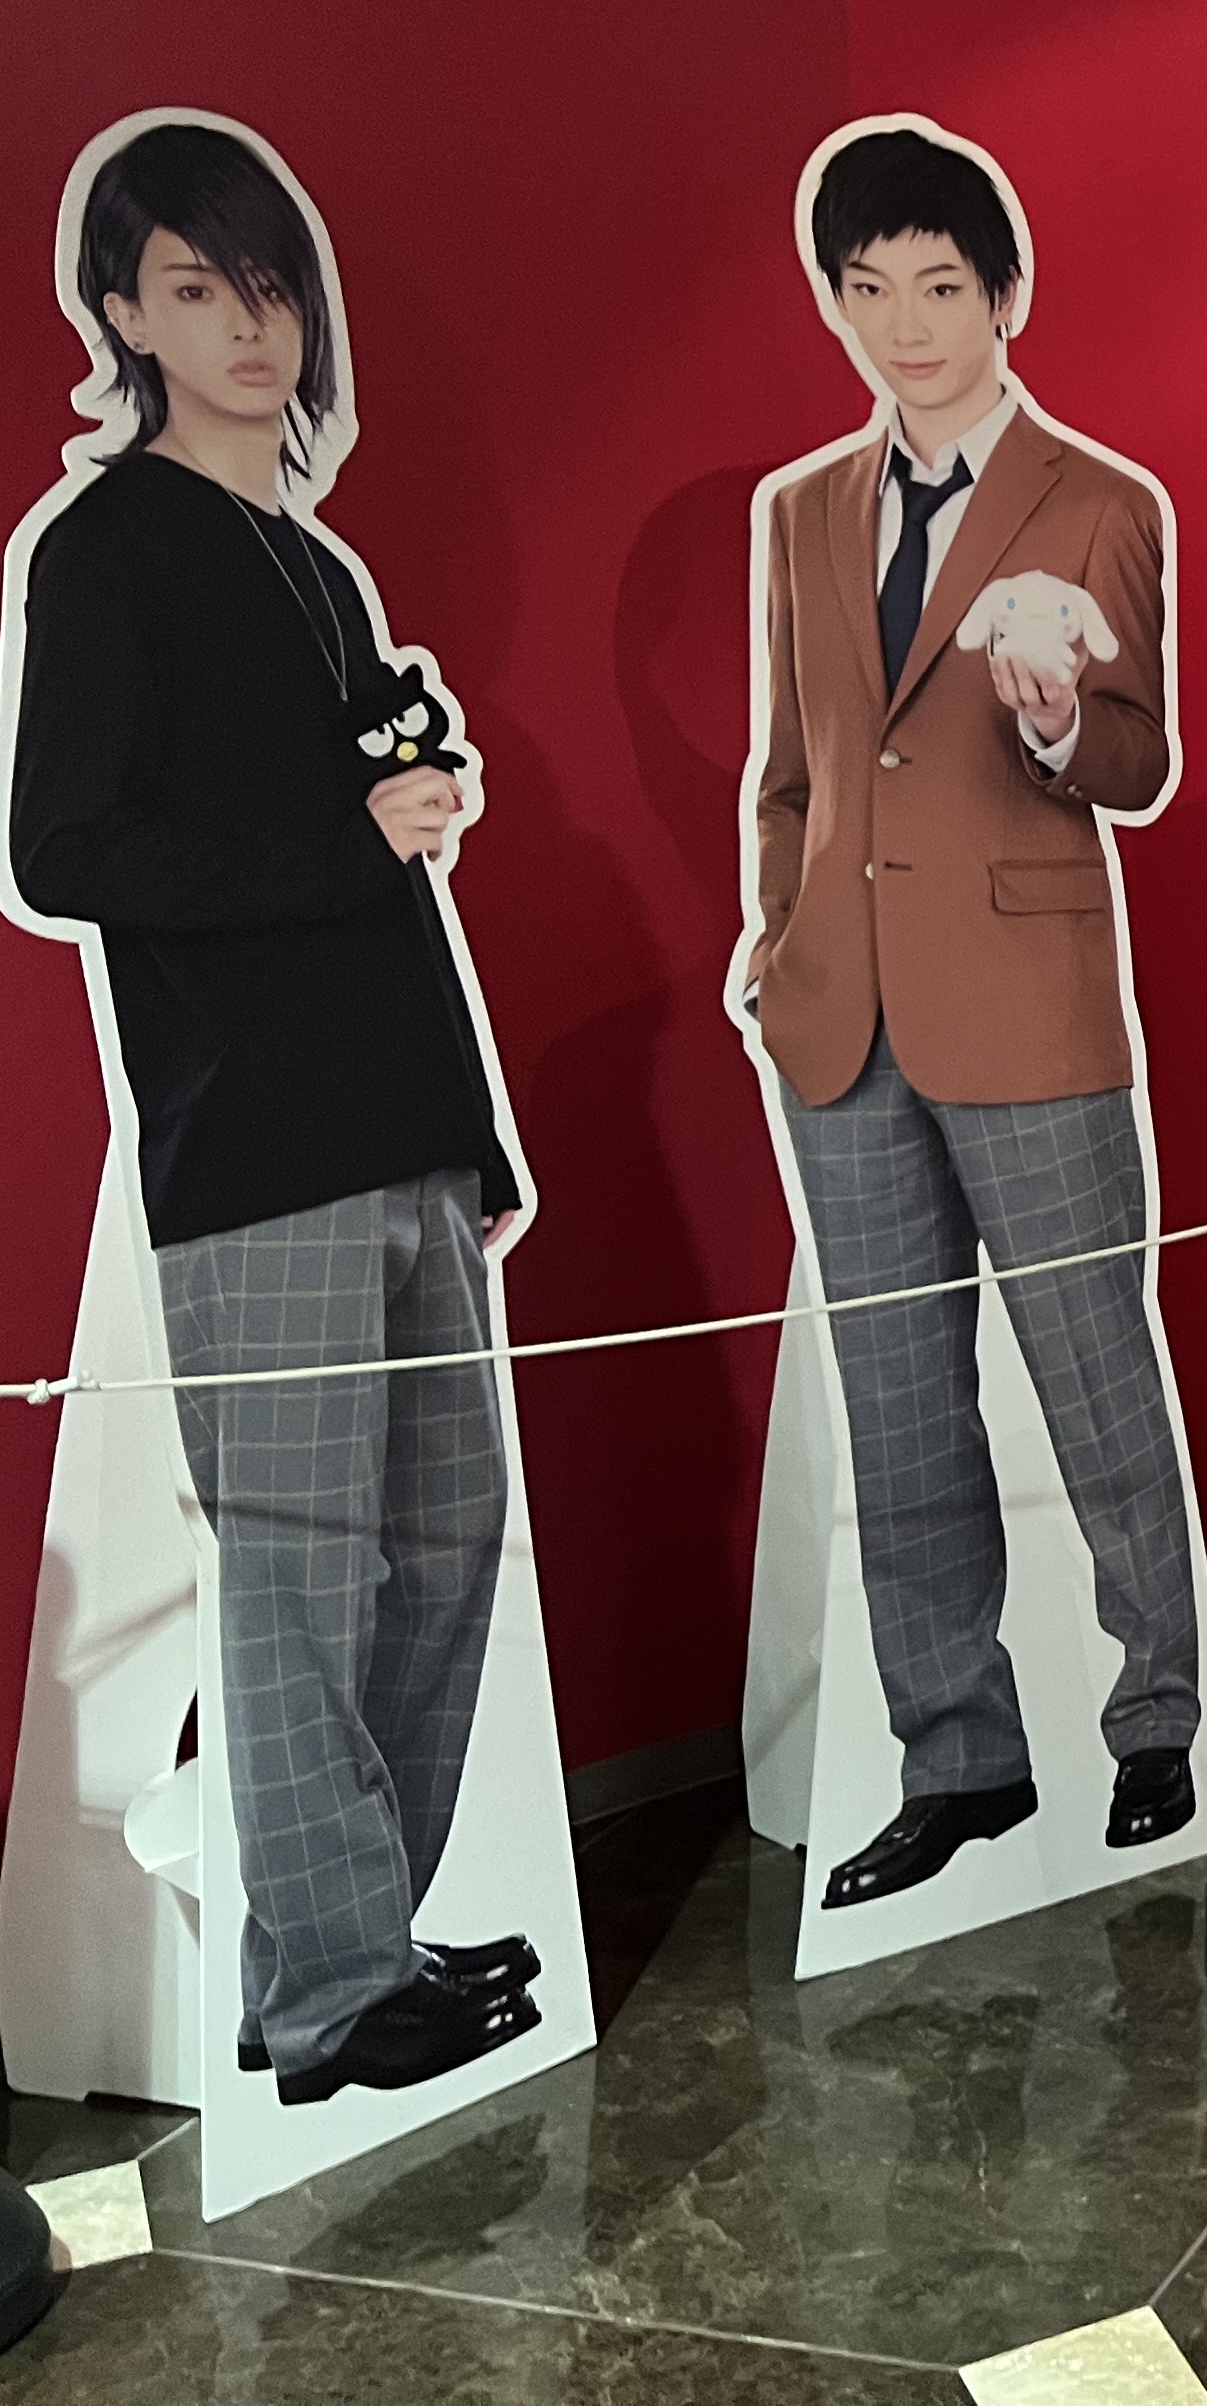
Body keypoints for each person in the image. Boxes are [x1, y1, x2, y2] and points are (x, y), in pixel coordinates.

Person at [8, 118, 541, 2102]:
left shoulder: (316, 567)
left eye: (268, 289)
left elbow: (382, 883)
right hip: (253, 1149)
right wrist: (340, 839)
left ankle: (353, 1941)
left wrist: (475, 1135)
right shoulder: (105, 548)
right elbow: (62, 847)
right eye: (196, 290)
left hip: (403, 1132)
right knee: (307, 1578)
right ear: (126, 315)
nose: (247, 327)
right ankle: (329, 1990)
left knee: (448, 1545)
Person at [743, 118, 1206, 1910]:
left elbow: (1141, 759)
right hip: (840, 1026)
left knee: (1097, 1380)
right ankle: (959, 1759)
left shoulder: (1100, 500)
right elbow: (795, 769)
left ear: (1004, 297)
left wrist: (1053, 720)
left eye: (938, 287)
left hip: (1028, 1008)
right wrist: (777, 936)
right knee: (900, 1407)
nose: (904, 326)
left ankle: (1157, 1719)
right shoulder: (803, 511)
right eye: (867, 291)